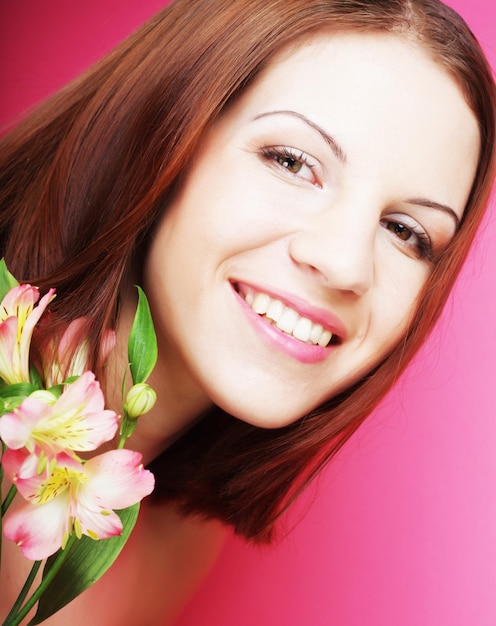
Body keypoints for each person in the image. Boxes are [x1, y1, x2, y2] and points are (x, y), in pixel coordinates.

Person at [0, 0, 494, 624]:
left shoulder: (169, 540)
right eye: (291, 162)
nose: (346, 265)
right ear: (163, 131)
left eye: (404, 231)